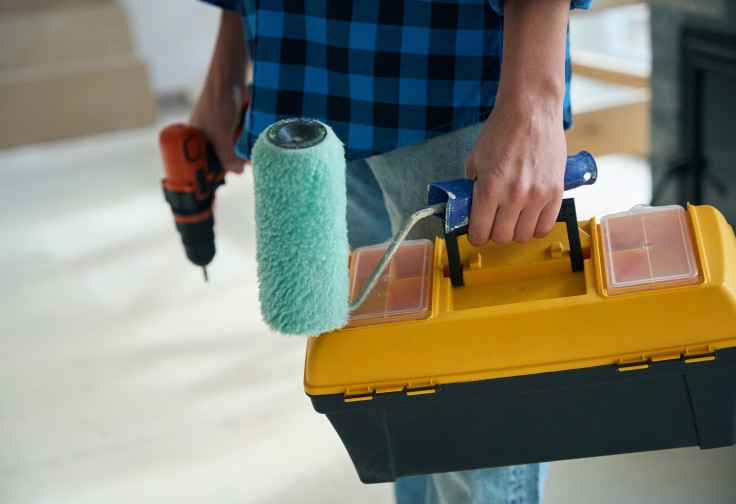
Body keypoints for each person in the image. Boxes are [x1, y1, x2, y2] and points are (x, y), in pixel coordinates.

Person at [190, 1, 591, 502]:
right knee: (398, 381)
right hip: (300, 70)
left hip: (439, 69)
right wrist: (226, 68)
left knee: (476, 407)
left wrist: (534, 97)